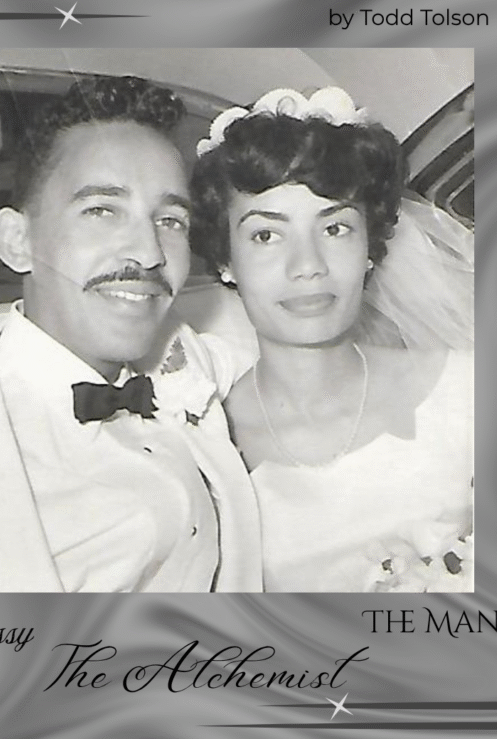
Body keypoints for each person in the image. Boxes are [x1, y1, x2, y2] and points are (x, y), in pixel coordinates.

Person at [0, 75, 262, 593]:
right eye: (102, 210)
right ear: (17, 242)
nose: (150, 253)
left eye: (170, 220)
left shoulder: (185, 358)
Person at [190, 87, 474, 592]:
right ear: (224, 260)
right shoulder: (206, 444)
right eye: (266, 235)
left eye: (336, 229)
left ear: (370, 246)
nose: (309, 267)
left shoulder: (469, 391)